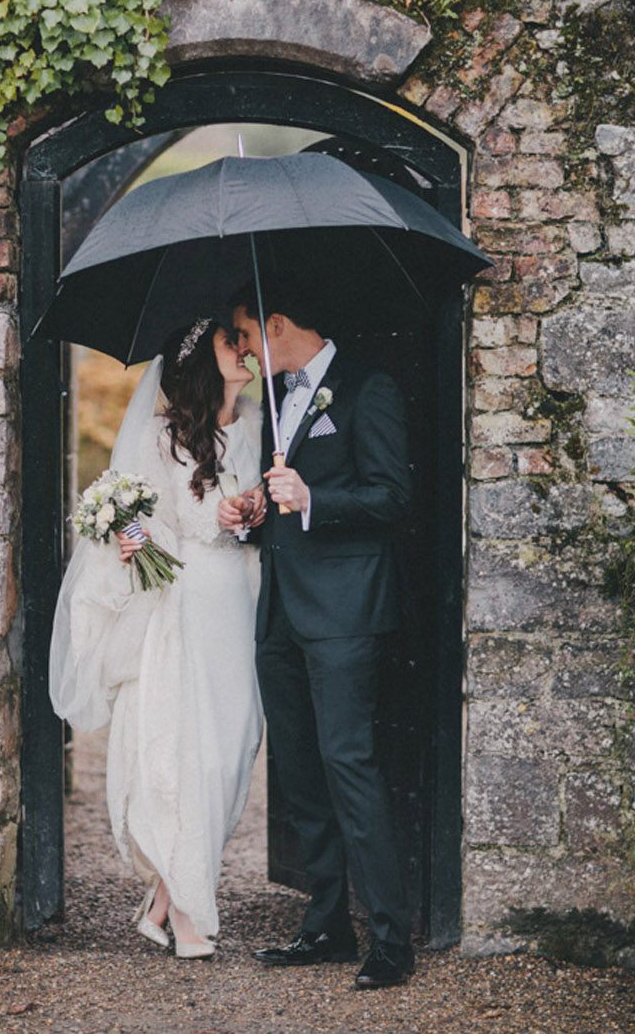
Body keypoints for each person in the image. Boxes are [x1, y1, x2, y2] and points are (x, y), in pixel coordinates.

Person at [49, 318, 266, 958]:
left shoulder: (258, 423)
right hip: (184, 603)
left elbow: (262, 509)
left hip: (240, 602)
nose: (247, 350)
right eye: (234, 342)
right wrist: (133, 538)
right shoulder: (161, 435)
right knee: (185, 752)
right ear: (203, 359)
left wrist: (250, 508)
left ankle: (165, 899)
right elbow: (140, 520)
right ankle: (192, 913)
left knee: (232, 751)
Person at [225, 277, 415, 991]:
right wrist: (257, 511)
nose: (242, 348)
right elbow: (281, 497)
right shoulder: (276, 402)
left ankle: (392, 942)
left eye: (246, 333)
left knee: (349, 767)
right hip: (280, 612)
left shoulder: (368, 388)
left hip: (344, 615)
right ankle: (326, 925)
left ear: (277, 323)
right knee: (300, 774)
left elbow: (392, 494)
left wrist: (312, 499)